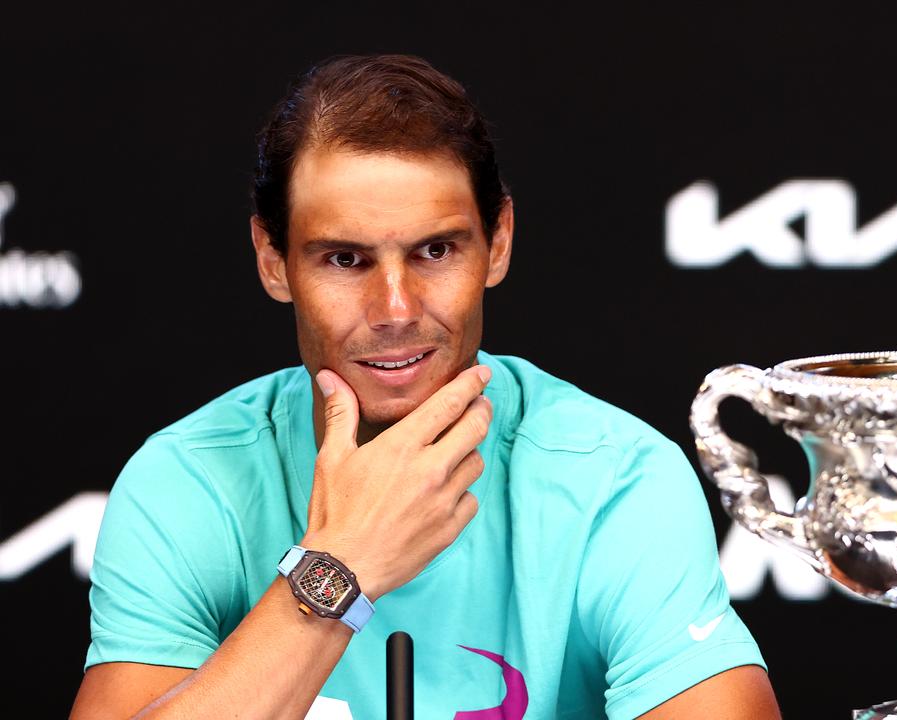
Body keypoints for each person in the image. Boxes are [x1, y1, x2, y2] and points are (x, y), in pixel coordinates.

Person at [69, 54, 780, 719]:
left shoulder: (617, 480)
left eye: (435, 251)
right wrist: (339, 569)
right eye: (345, 259)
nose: (397, 311)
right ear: (273, 260)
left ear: (497, 242)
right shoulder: (187, 481)